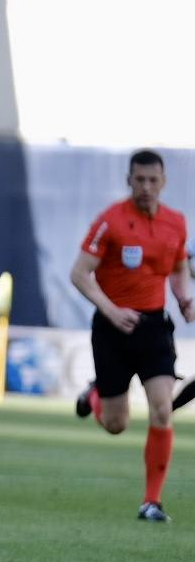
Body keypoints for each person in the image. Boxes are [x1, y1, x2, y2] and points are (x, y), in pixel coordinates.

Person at [71, 149, 194, 523]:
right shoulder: (111, 221)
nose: (146, 187)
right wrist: (111, 310)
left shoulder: (176, 223)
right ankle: (94, 393)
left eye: (153, 180)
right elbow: (79, 274)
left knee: (161, 408)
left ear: (164, 182)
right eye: (139, 180)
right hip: (111, 329)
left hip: (154, 328)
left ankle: (151, 502)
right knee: (116, 424)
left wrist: (184, 298)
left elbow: (176, 270)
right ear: (129, 180)